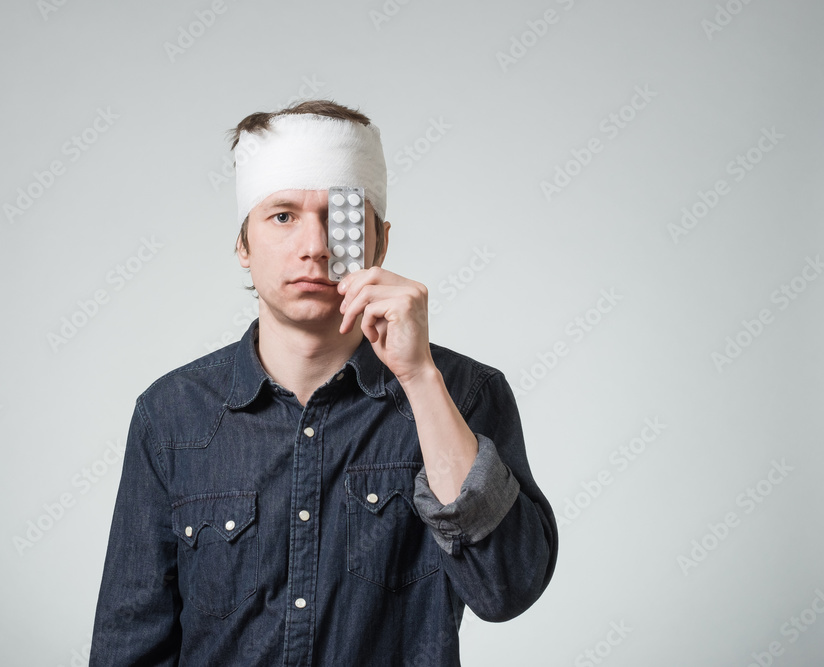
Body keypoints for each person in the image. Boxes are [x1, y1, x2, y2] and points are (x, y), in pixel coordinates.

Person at [88, 100, 558, 666]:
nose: (315, 246)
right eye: (282, 216)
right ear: (243, 244)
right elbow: (129, 643)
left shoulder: (463, 393)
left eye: (340, 217)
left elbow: (507, 589)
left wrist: (418, 377)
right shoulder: (171, 414)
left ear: (380, 242)